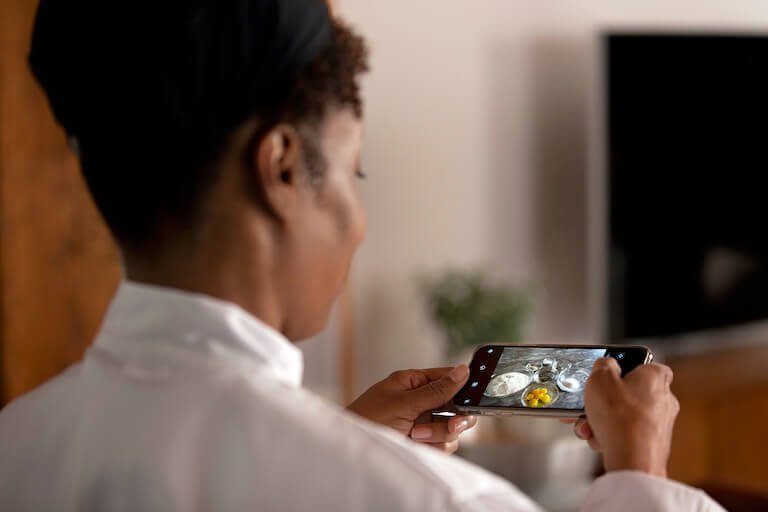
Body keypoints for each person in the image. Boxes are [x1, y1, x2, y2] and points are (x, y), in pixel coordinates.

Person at [0, 1, 723, 510]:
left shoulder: (17, 445)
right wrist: (640, 475)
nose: (360, 222)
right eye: (355, 172)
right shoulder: (434, 500)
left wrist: (342, 438)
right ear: (282, 167)